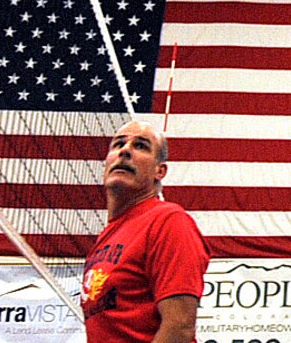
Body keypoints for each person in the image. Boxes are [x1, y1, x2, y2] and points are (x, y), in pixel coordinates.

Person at [81, 117, 209, 343]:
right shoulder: (105, 239)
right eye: (118, 144)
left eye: (140, 145)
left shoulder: (168, 221)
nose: (125, 151)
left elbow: (179, 327)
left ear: (160, 171)